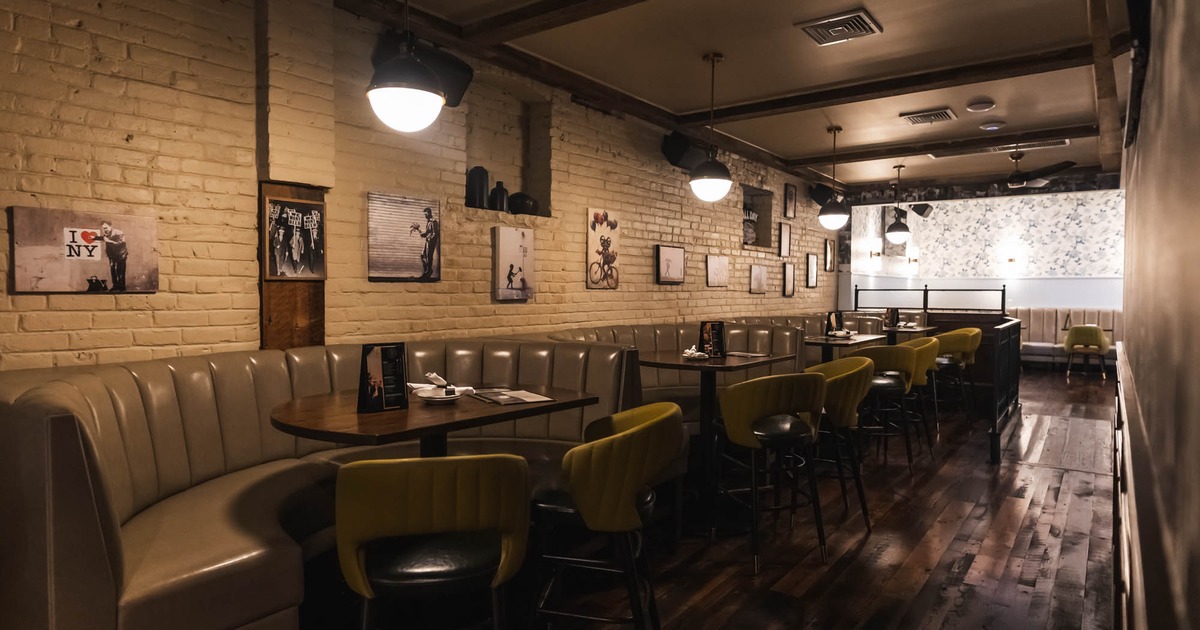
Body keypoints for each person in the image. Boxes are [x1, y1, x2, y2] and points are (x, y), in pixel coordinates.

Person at [410, 207, 439, 280]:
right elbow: (426, 233)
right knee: (423, 255)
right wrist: (418, 229)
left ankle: (428, 271)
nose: (425, 216)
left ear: (429, 213)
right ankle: (427, 271)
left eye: (426, 214)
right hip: (428, 241)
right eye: (424, 214)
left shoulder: (433, 221)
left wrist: (430, 239)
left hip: (431, 242)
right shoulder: (428, 222)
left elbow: (435, 233)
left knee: (429, 256)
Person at [100, 220, 127, 291]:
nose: (104, 230)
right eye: (103, 228)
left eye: (106, 228)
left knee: (120, 272)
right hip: (112, 255)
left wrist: (108, 241)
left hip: (120, 255)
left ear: (110, 226)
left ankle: (121, 288)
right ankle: (115, 286)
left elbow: (121, 243)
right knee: (113, 270)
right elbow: (104, 238)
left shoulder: (119, 232)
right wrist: (94, 238)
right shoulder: (107, 233)